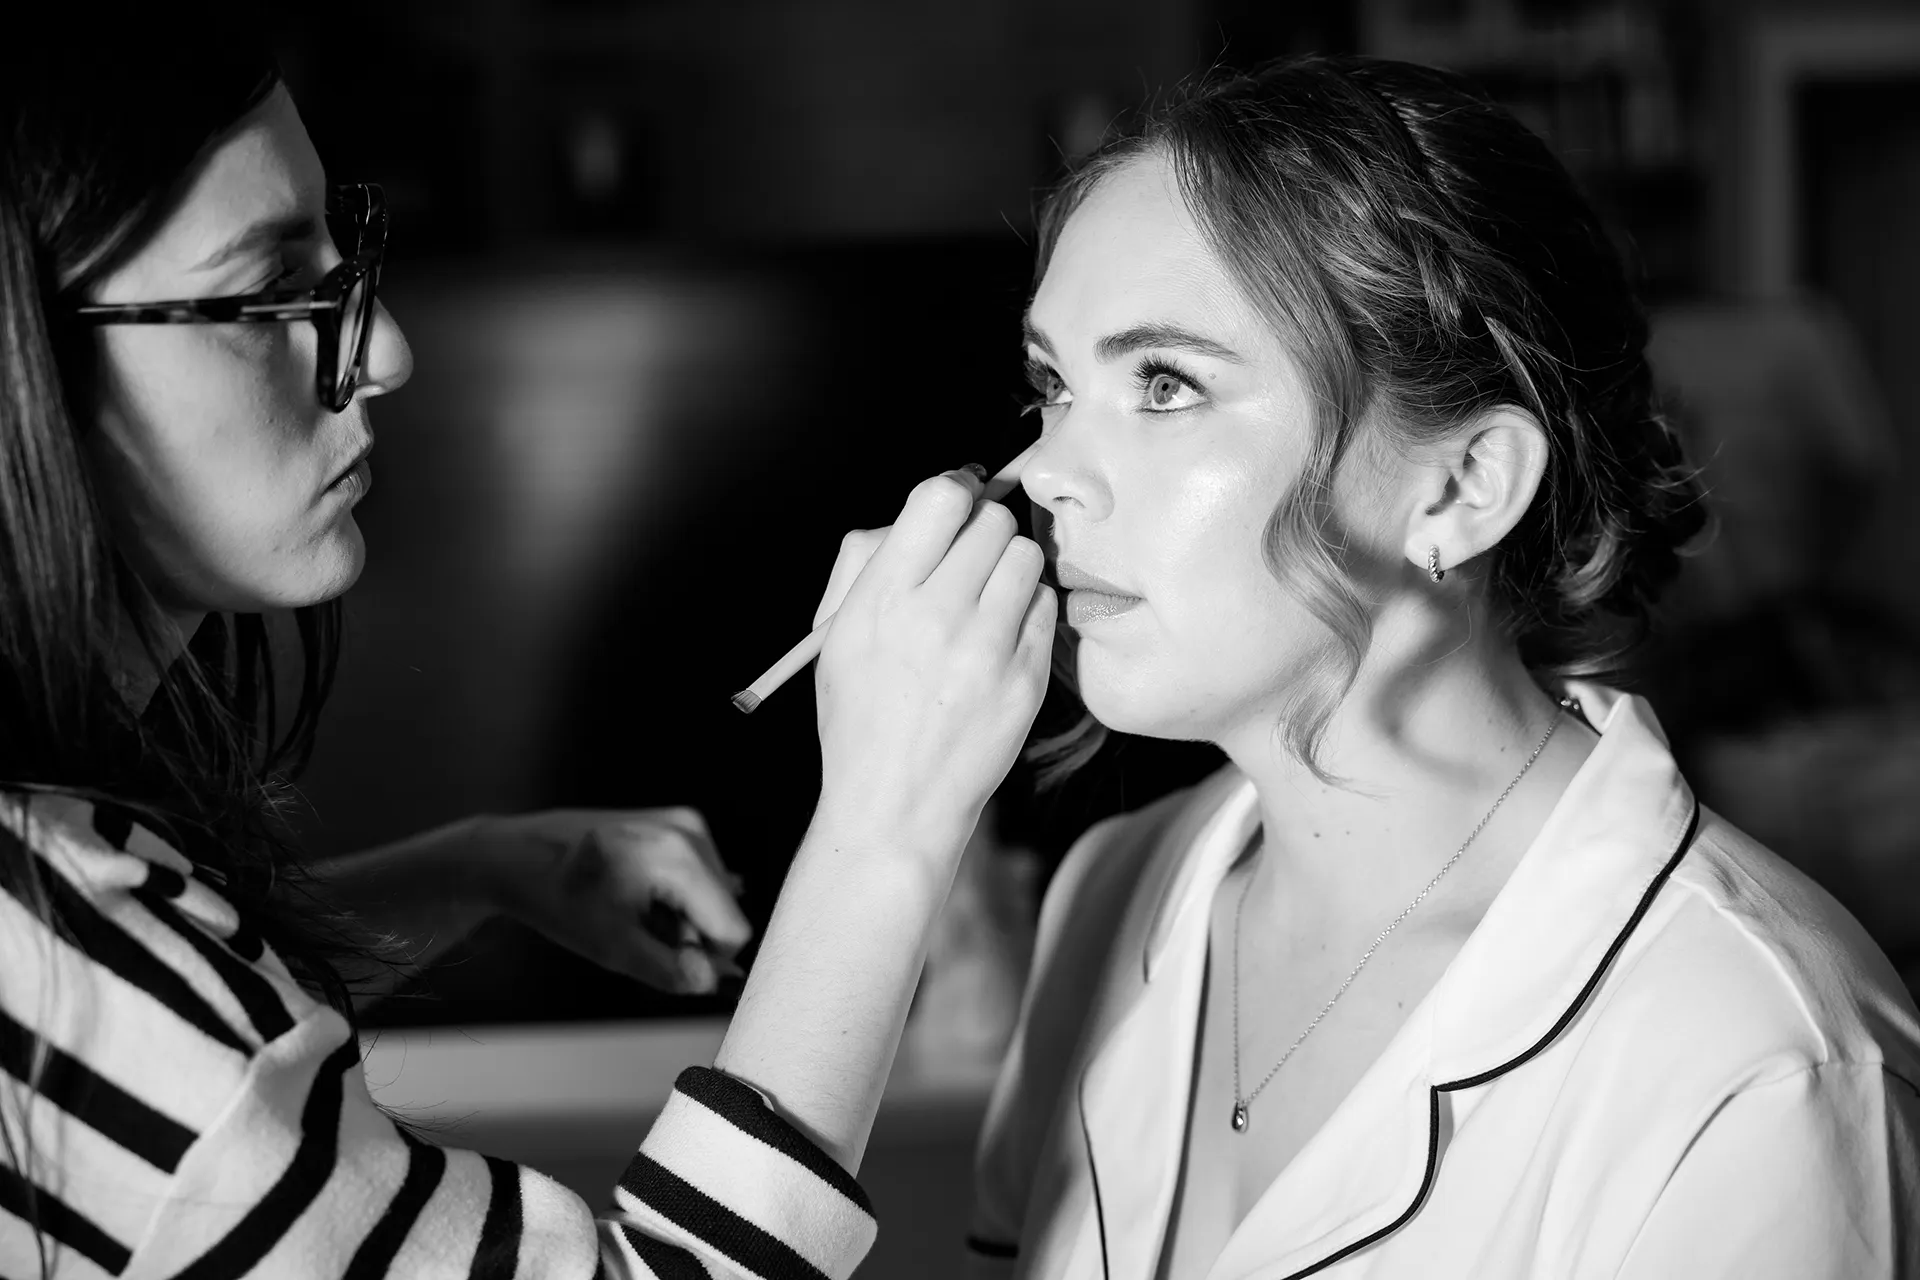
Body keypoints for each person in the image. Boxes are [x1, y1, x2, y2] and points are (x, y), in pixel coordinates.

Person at [0, 12, 1051, 1280]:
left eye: (344, 261)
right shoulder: (53, 958)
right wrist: (891, 820)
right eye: (271, 289)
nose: (380, 351)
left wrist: (484, 870)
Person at [964, 55, 1920, 1278]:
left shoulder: (1758, 1065)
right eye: (1052, 382)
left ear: (1464, 487)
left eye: (1165, 382)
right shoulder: (1109, 895)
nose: (1040, 469)